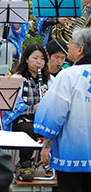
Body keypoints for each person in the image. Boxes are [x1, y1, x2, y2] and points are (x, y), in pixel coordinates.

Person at [34, 28, 91, 191]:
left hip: (72, 150)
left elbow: (54, 112)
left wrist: (46, 144)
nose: (68, 46)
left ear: (80, 49)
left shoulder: (69, 75)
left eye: (71, 43)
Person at [2, 44, 50, 181]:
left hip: (41, 119)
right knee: (29, 128)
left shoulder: (49, 80)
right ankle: (24, 164)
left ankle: (44, 163)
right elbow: (11, 105)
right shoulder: (17, 79)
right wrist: (32, 108)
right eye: (35, 58)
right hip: (21, 119)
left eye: (42, 59)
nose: (39, 62)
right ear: (26, 59)